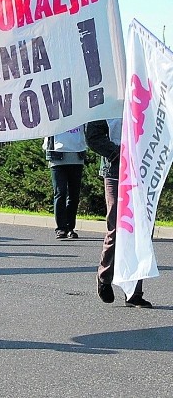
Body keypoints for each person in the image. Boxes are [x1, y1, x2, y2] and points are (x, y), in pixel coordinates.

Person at [85, 119, 152, 308]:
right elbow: (93, 136)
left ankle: (134, 293)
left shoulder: (146, 92)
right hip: (115, 171)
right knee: (118, 227)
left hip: (142, 171)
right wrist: (118, 154)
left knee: (141, 231)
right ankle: (104, 276)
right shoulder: (105, 99)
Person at [43, 125, 86, 240]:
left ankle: (70, 227)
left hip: (77, 156)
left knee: (74, 195)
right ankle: (61, 228)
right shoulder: (53, 109)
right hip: (57, 156)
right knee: (60, 193)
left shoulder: (80, 109)